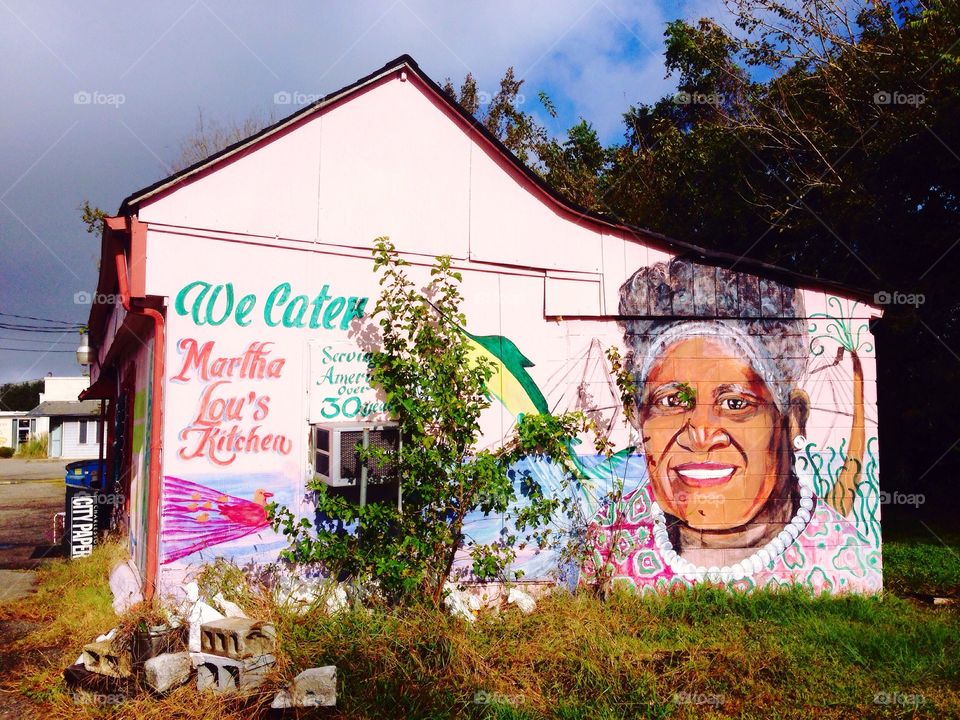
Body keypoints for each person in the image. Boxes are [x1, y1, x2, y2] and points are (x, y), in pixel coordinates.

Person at [581, 259, 880, 592]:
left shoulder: (843, 565)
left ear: (792, 419)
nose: (701, 434)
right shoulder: (612, 536)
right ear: (639, 417)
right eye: (671, 402)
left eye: (736, 404)